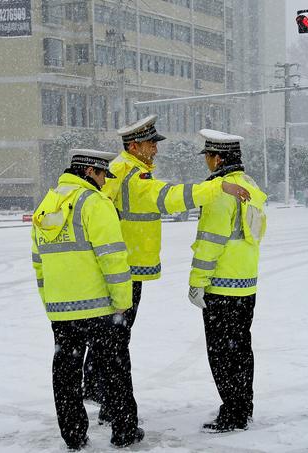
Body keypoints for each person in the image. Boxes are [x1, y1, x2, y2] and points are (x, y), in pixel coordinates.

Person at [84, 115, 251, 423]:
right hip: (121, 269)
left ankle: (102, 394)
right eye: (151, 144)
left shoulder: (125, 169)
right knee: (115, 340)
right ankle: (112, 405)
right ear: (135, 146)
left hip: (123, 268)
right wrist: (214, 189)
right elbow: (167, 198)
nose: (156, 151)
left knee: (111, 338)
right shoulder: (129, 172)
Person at [31, 149, 144, 449]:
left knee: (66, 374)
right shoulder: (94, 203)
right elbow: (113, 257)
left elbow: (38, 263)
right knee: (114, 369)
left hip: (61, 310)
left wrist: (50, 303)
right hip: (99, 308)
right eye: (102, 176)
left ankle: (74, 435)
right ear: (91, 171)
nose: (104, 183)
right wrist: (122, 300)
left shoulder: (46, 205)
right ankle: (124, 431)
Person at [188, 129, 267, 433]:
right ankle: (243, 405)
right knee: (241, 348)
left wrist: (197, 282)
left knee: (221, 353)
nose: (206, 162)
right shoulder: (250, 186)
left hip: (221, 286)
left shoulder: (220, 191)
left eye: (208, 156)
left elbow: (210, 241)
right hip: (246, 282)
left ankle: (232, 412)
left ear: (217, 158)